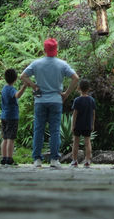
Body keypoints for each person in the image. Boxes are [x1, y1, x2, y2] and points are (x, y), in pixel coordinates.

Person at [20, 37, 79, 168]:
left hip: (40, 100)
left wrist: (34, 86)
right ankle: (54, 159)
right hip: (56, 100)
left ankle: (37, 160)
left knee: (38, 130)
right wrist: (66, 94)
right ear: (56, 50)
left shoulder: (36, 63)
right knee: (55, 131)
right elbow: (75, 78)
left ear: (44, 50)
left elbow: (22, 76)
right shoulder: (62, 64)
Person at [0, 68, 26, 165]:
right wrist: (24, 87)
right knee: (11, 138)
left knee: (5, 138)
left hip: (4, 116)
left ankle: (4, 158)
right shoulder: (11, 89)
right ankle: (9, 158)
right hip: (12, 116)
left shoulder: (4, 88)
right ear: (15, 79)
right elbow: (17, 95)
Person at [71, 78, 96, 167]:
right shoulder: (92, 100)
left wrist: (72, 125)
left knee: (76, 143)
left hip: (78, 125)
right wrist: (92, 124)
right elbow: (93, 114)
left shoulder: (77, 100)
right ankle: (87, 161)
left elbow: (75, 115)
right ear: (89, 88)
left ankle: (74, 160)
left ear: (79, 88)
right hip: (87, 124)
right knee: (87, 142)